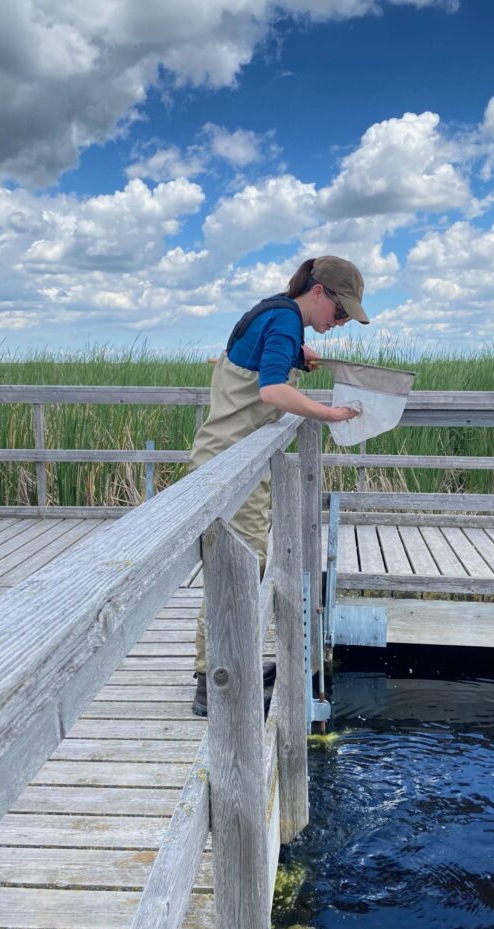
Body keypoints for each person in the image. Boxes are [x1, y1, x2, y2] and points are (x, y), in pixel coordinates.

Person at [189, 255, 370, 715]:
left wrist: (298, 356)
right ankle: (215, 682)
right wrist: (328, 413)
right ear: (318, 293)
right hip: (230, 466)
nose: (341, 320)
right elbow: (270, 390)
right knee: (237, 571)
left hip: (231, 462)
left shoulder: (276, 314)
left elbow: (256, 364)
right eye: (341, 310)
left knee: (245, 563)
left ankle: (232, 662)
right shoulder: (286, 321)